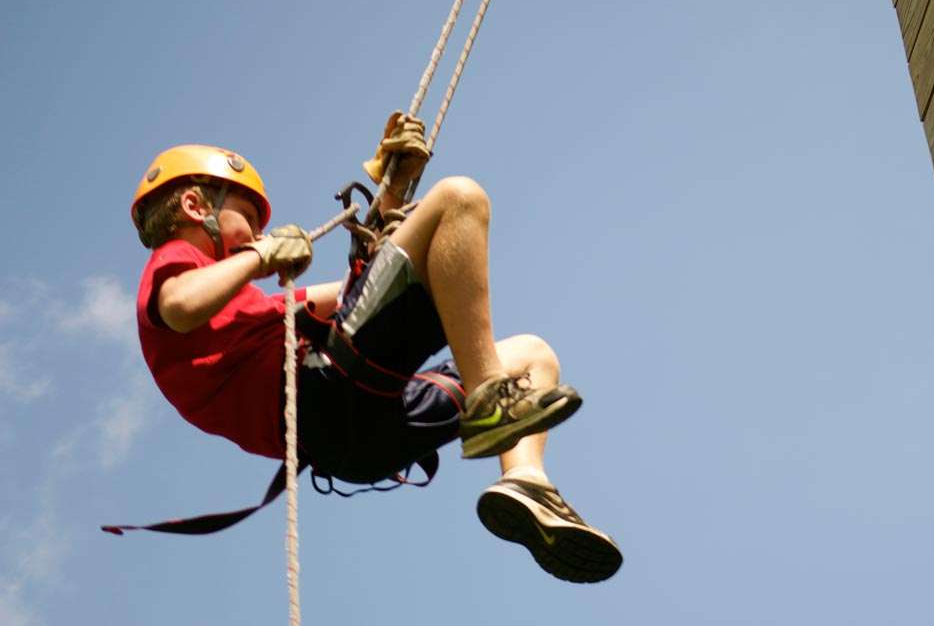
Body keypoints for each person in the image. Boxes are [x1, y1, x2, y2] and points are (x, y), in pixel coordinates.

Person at [129, 114, 621, 583]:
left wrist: (394, 191)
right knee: (458, 198)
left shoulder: (252, 310)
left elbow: (358, 294)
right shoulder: (178, 260)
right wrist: (262, 254)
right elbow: (179, 305)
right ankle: (491, 401)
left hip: (359, 437)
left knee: (533, 355)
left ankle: (526, 480)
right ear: (196, 207)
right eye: (249, 217)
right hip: (324, 398)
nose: (257, 232)